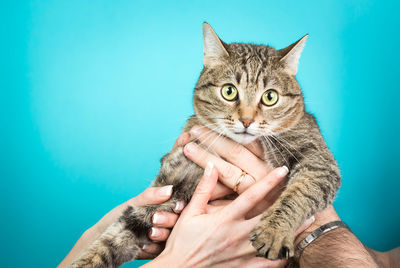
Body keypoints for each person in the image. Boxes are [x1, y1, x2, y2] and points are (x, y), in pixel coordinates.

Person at [59, 126, 400, 268]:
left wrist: (311, 227)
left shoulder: (296, 130)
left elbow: (325, 175)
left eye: (267, 98)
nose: (248, 118)